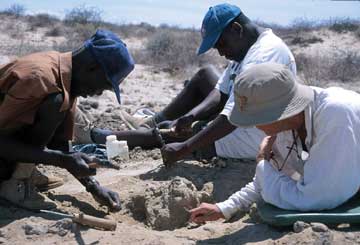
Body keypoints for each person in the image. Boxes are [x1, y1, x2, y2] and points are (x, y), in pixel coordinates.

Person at [83, 3, 297, 164]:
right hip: (247, 115)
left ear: (236, 29)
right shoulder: (246, 47)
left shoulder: (263, 57)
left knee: (185, 135)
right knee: (202, 82)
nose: (221, 52)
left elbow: (230, 118)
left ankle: (107, 137)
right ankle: (150, 125)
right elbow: (221, 92)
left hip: (260, 137)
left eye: (221, 44)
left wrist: (185, 148)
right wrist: (192, 115)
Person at [189, 62, 360, 223]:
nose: (254, 125)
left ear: (280, 112)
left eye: (256, 117)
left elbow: (316, 198)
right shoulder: (287, 123)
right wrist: (224, 208)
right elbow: (265, 180)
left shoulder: (335, 116)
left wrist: (262, 161)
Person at [0, 29, 134, 210]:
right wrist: (60, 160)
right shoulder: (41, 79)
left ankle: (23, 170)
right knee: (54, 103)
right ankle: (14, 181)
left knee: (56, 105)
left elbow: (60, 145)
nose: (99, 92)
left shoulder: (66, 79)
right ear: (92, 68)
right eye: (105, 85)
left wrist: (93, 187)